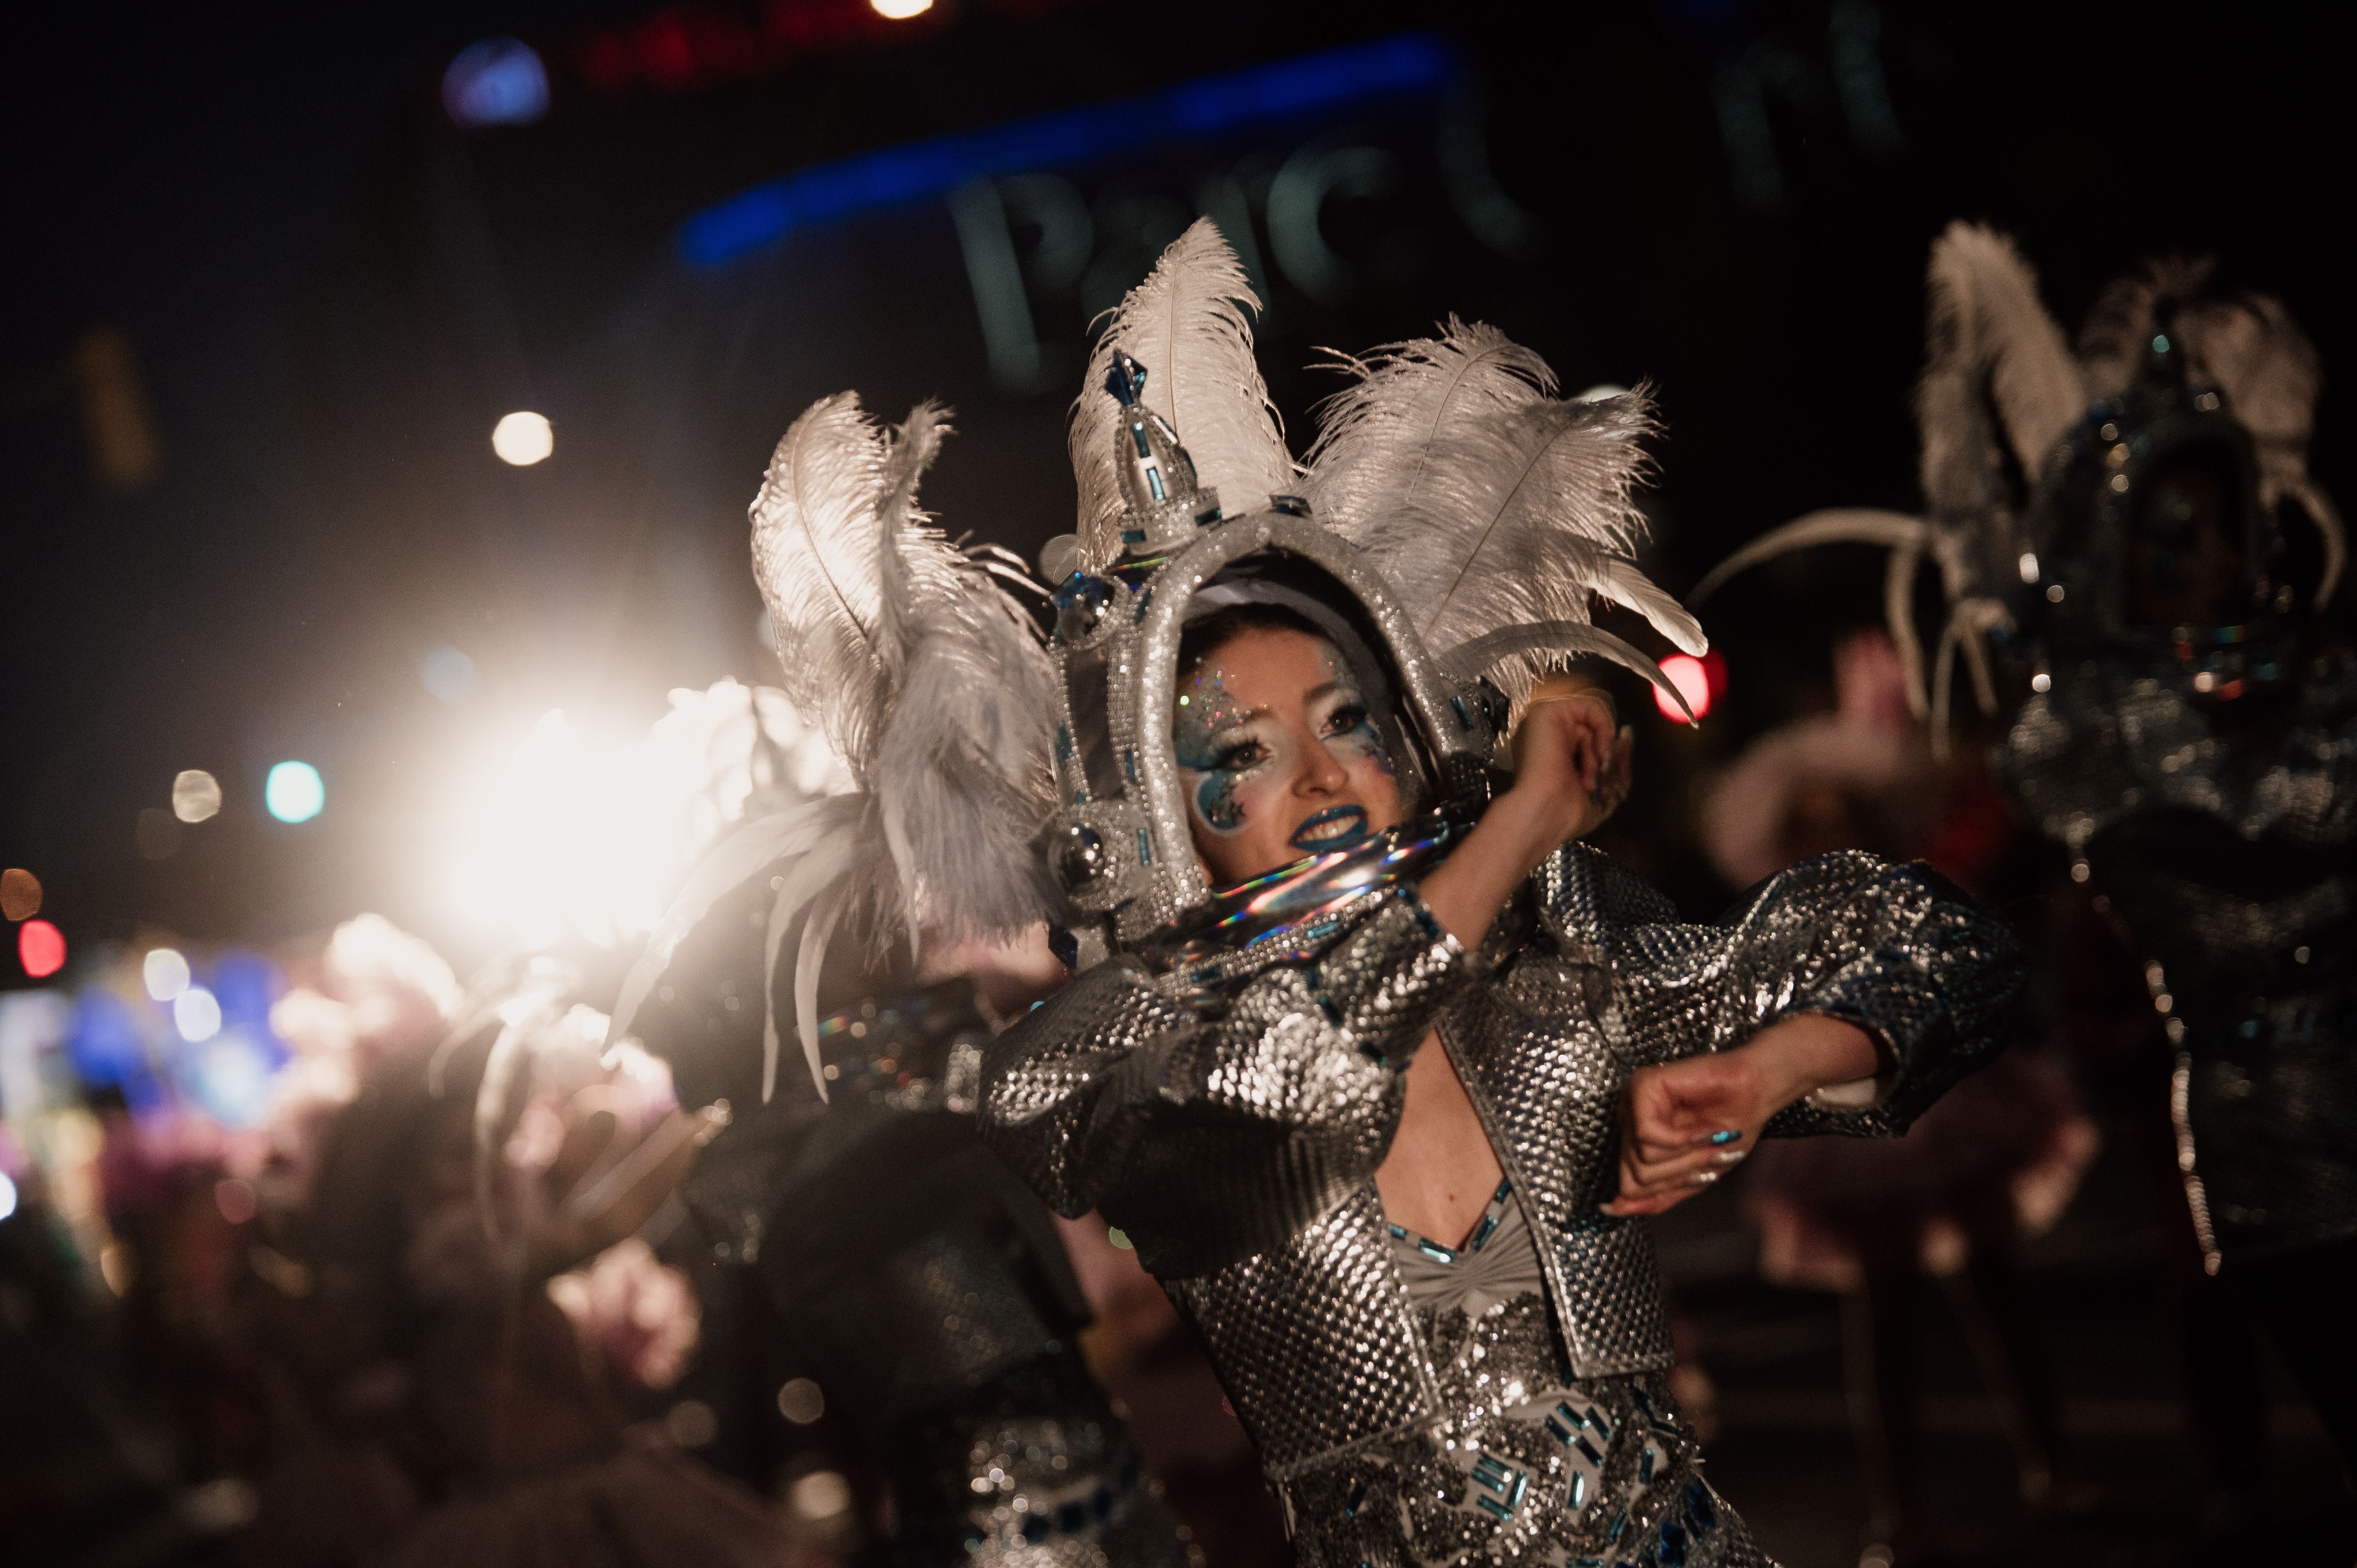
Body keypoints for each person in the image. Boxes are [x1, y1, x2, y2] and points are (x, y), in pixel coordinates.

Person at [980, 224, 2020, 1568]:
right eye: (1239, 753)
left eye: (1350, 721)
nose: (1319, 778)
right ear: (1155, 811)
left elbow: (1951, 947)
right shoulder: (1114, 1046)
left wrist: (1769, 1072)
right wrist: (1518, 826)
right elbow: (1291, 1074)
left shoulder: (1551, 944)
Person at [1691, 222, 2357, 1505]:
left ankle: (2059, 1464)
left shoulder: (2306, 678)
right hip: (2265, 1128)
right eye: (2161, 538)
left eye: (2211, 528)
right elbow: (2266, 821)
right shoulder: (2088, 731)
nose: (2198, 560)